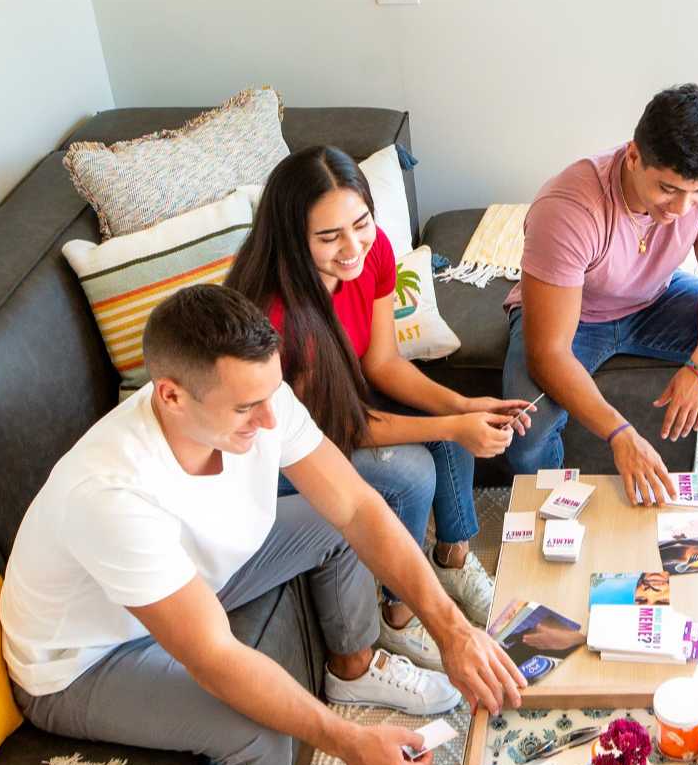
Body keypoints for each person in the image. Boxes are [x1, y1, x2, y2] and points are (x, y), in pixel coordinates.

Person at [1, 285, 528, 765]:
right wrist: (344, 740)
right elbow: (214, 657)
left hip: (188, 583)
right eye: (247, 408)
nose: (271, 422)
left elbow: (358, 509)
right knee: (251, 727)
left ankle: (354, 665)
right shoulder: (111, 493)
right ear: (169, 395)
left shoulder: (257, 399)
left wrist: (455, 630)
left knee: (335, 526)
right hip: (87, 661)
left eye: (269, 396)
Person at [226, 146, 529, 663]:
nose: (352, 247)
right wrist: (454, 425)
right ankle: (398, 610)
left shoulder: (374, 252)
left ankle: (453, 557)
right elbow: (338, 430)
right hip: (280, 450)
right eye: (328, 237)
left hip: (338, 407)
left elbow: (383, 362)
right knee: (413, 472)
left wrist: (462, 405)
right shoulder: (275, 316)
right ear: (293, 239)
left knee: (448, 423)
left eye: (360, 223)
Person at [501, 84, 698, 504]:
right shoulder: (567, 208)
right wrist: (620, 433)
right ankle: (561, 507)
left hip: (654, 300)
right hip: (575, 316)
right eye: (667, 189)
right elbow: (549, 353)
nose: (682, 209)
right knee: (526, 433)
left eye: (697, 193)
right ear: (633, 156)